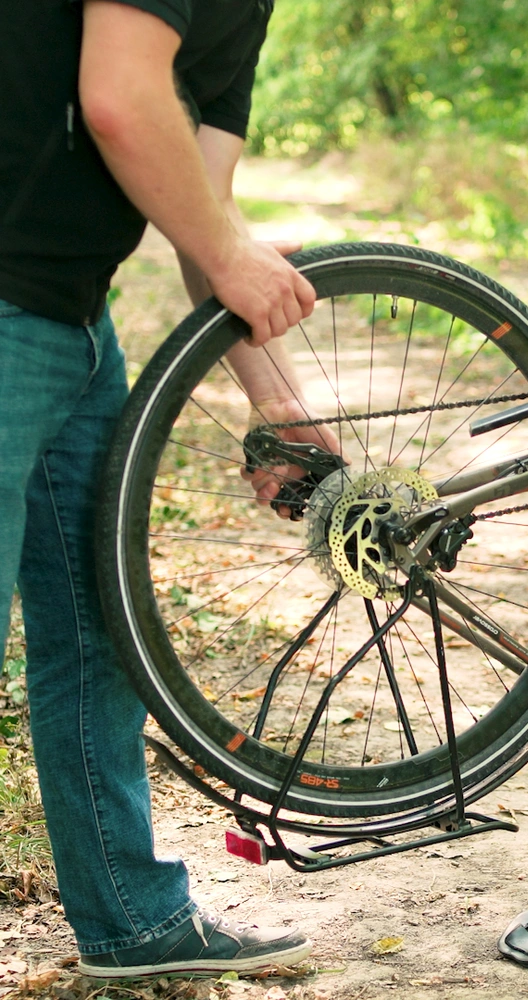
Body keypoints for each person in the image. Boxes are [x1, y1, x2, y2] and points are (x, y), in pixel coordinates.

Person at [0, 0, 331, 978]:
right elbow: (118, 96)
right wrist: (234, 255)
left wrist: (277, 404)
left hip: (71, 316)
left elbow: (202, 206)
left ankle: (132, 924)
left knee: (100, 627)